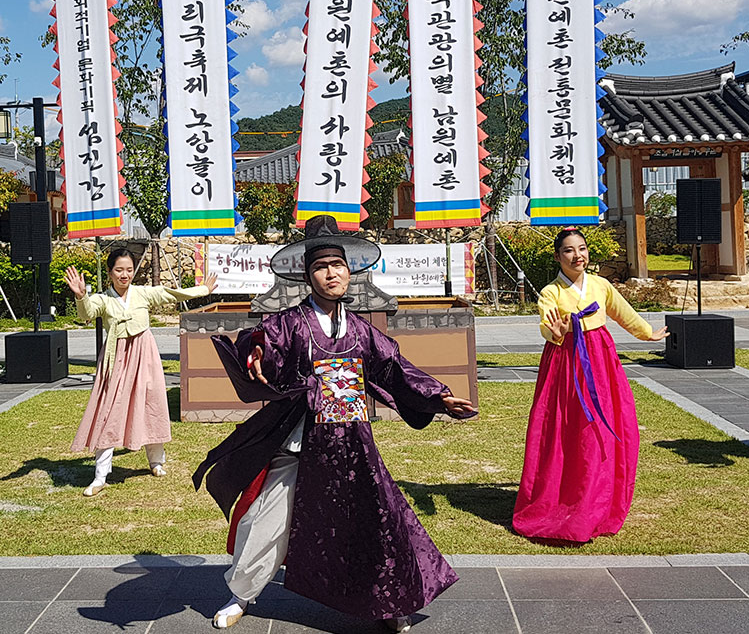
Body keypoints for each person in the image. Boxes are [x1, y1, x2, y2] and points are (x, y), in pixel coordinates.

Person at [193, 216, 475, 631]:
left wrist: (439, 396)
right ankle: (242, 594)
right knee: (268, 521)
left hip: (352, 444)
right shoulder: (290, 322)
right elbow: (263, 342)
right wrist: (255, 353)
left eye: (338, 265)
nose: (332, 273)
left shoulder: (360, 329)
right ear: (309, 276)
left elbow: (395, 369)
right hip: (299, 440)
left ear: (349, 271)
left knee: (376, 520)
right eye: (322, 267)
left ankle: (389, 601)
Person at [512, 228, 669, 543]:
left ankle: (597, 499)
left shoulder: (601, 285)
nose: (577, 256)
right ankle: (562, 496)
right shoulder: (551, 292)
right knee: (565, 428)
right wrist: (555, 332)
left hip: (599, 362)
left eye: (581, 249)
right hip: (564, 364)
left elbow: (624, 313)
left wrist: (646, 333)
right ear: (558, 256)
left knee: (599, 427)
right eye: (568, 251)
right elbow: (547, 325)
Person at [66, 249, 217, 496]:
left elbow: (169, 294)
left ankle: (156, 462)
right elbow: (87, 313)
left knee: (151, 404)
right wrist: (82, 296)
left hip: (144, 356)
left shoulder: (143, 293)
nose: (124, 275)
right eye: (119, 270)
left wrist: (202, 291)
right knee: (109, 412)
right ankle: (100, 475)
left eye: (129, 270)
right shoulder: (103, 299)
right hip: (116, 361)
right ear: (110, 272)